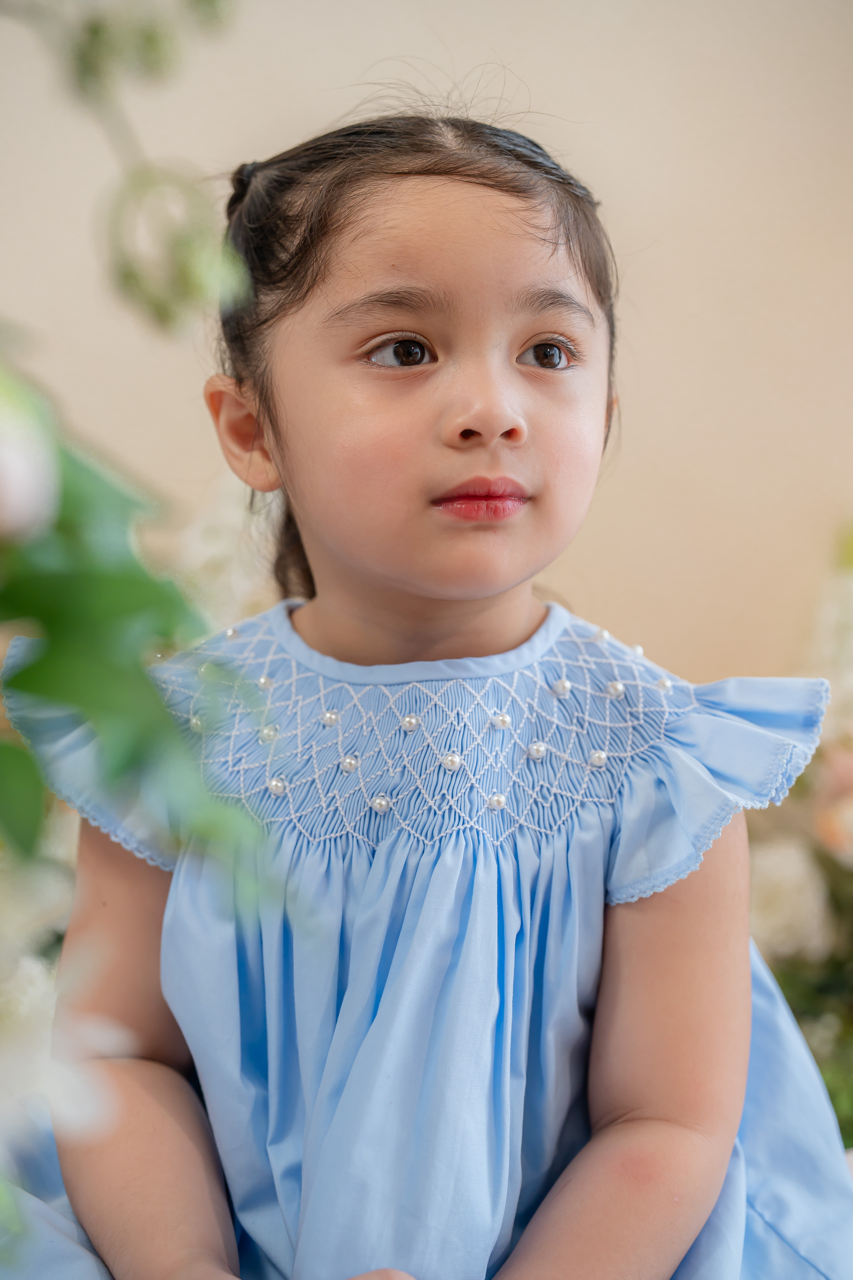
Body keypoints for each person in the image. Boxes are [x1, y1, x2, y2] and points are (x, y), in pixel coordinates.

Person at [4, 114, 853, 1280]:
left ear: (601, 424)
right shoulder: (172, 740)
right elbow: (124, 1058)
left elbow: (665, 1125)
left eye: (548, 353)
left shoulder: (659, 757)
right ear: (252, 428)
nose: (491, 407)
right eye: (405, 349)